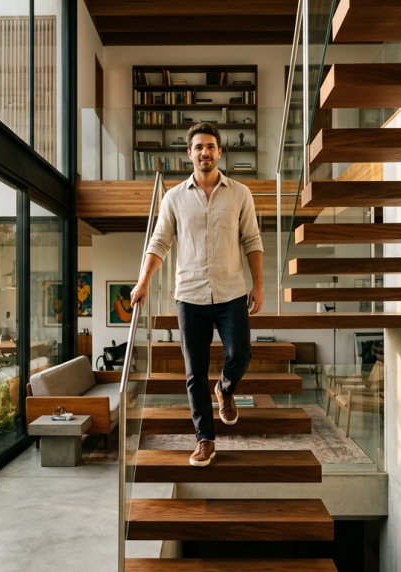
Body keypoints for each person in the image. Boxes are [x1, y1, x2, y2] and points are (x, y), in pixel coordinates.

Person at [130, 123, 263, 467]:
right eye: (199, 147)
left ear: (220, 152)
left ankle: (226, 389)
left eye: (211, 146)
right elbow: (159, 242)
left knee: (241, 354)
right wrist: (143, 281)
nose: (205, 152)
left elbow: (252, 241)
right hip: (189, 296)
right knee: (194, 372)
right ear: (189, 153)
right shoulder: (173, 197)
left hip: (232, 292)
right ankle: (205, 439)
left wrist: (259, 285)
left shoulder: (240, 194)